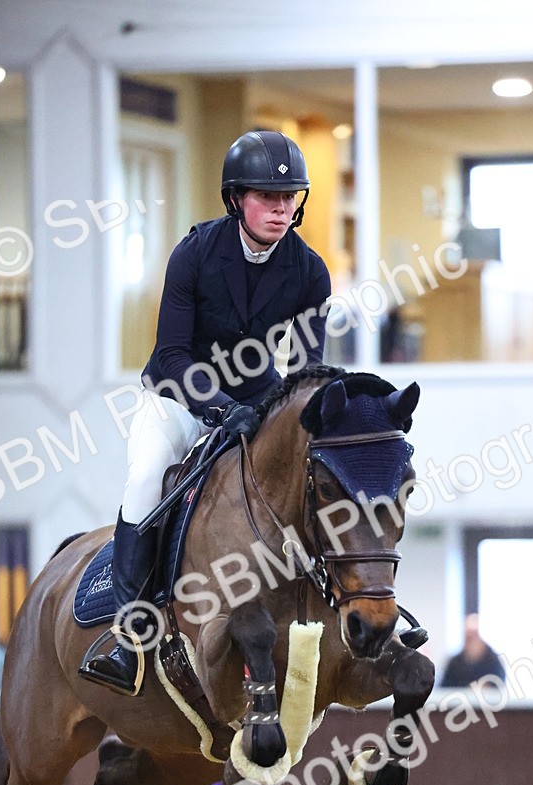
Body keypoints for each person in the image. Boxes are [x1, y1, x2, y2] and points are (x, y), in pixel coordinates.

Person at [81, 130, 332, 695]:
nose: (280, 207)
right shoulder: (194, 255)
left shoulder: (309, 271)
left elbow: (308, 367)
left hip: (255, 399)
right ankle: (128, 635)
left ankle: (339, 601)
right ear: (235, 199)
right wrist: (220, 409)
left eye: (289, 196)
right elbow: (171, 353)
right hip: (177, 396)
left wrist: (284, 416)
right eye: (267, 197)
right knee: (146, 478)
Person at [440, 614, 506, 689]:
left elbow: (500, 687)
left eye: (473, 635)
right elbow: (444, 688)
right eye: (468, 635)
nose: (470, 639)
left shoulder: (495, 661)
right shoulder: (454, 663)